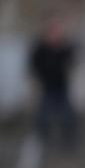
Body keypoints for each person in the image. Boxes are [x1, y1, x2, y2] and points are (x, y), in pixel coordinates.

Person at [29, 19, 78, 152]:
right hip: (47, 89)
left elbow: (72, 59)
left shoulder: (64, 47)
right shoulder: (41, 48)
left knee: (68, 117)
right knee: (43, 118)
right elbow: (33, 65)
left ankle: (68, 145)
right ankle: (42, 143)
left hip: (61, 88)